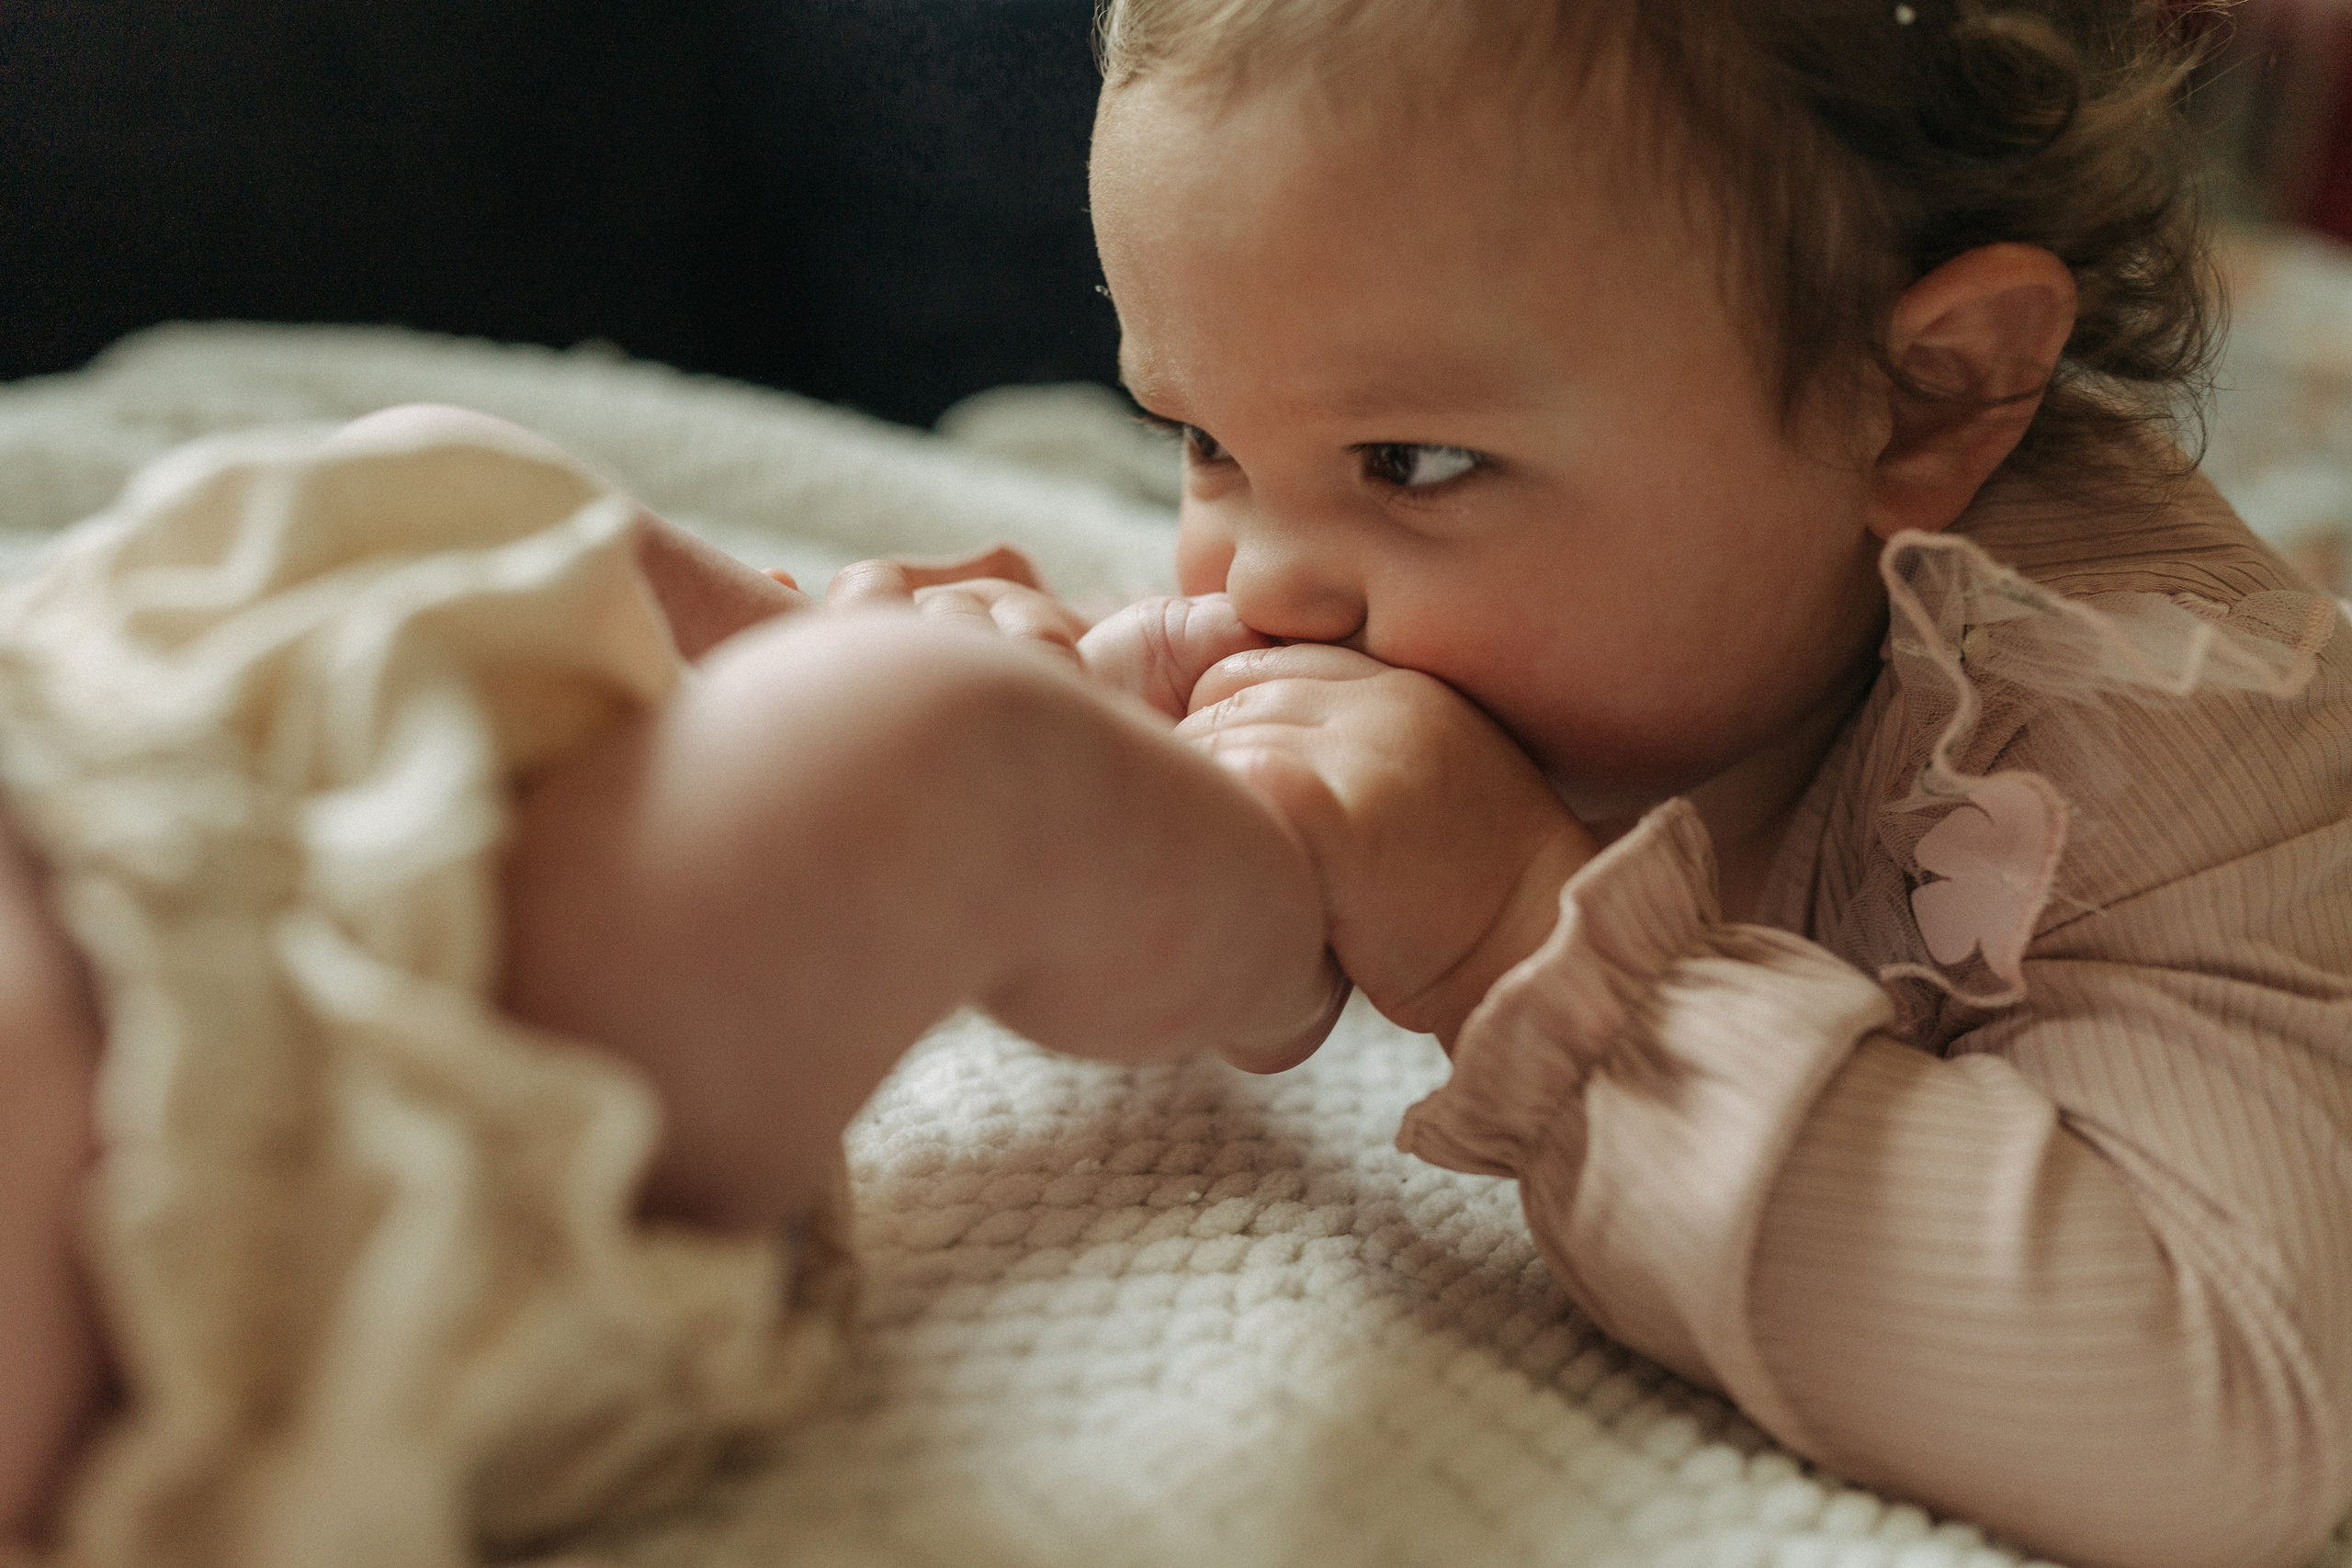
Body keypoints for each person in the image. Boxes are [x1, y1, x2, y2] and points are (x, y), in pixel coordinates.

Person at [1057, 1, 2349, 1565]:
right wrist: (1108, 780)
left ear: (1927, 395)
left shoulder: (2147, 722)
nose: (1268, 589)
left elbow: (2232, 1422)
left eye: (1412, 463)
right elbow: (1269, 974)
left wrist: (1517, 944)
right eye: (1203, 443)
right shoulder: (1591, 595)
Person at [0, 405, 1347, 1565]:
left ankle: (783, 650)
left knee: (445, 482)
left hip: (105, 741)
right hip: (304, 1145)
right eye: (1204, 444)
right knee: (942, 751)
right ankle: (1317, 882)